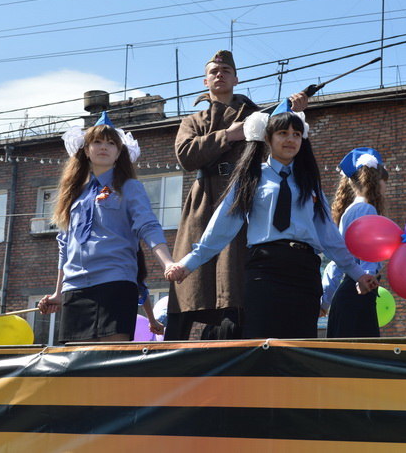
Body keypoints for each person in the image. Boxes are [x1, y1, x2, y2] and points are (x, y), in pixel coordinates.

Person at [165, 106, 378, 339]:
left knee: (299, 343)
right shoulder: (251, 176)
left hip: (304, 270)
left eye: (297, 134)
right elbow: (222, 226)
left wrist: (358, 274)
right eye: (283, 133)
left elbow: (329, 235)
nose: (290, 139)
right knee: (262, 340)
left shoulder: (309, 181)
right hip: (264, 269)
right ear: (268, 138)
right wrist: (188, 264)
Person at [166, 49, 307, 340]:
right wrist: (229, 135)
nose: (219, 75)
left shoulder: (259, 115)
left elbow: (283, 139)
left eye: (226, 71)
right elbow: (186, 156)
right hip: (204, 201)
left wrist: (294, 111)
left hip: (243, 195)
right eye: (213, 72)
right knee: (190, 281)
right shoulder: (193, 120)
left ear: (236, 79)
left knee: (236, 278)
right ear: (205, 81)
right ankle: (174, 348)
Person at [38, 113, 174, 343]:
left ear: (119, 153)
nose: (104, 147)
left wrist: (168, 263)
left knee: (112, 356)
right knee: (78, 359)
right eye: (97, 142)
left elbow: (148, 225)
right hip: (75, 286)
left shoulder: (130, 187)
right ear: (86, 149)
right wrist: (58, 293)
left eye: (111, 143)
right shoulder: (73, 194)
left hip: (115, 280)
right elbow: (65, 245)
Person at [323, 147, 389, 338]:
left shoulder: (351, 210)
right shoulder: (367, 210)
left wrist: (325, 301)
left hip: (349, 295)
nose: (386, 188)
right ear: (376, 181)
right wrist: (368, 275)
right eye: (385, 182)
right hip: (359, 294)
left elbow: (338, 261)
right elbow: (368, 254)